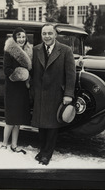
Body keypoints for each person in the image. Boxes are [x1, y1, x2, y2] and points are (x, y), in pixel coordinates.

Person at [31, 23, 76, 165]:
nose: (47, 36)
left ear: (55, 35)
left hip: (56, 93)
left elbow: (71, 75)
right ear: (41, 35)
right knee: (41, 125)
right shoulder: (36, 50)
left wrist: (68, 94)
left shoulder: (65, 50)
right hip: (39, 93)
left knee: (51, 126)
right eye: (44, 34)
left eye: (50, 33)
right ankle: (42, 150)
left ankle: (46, 154)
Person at [1, 27, 32, 154]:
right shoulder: (9, 51)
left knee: (18, 120)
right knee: (10, 120)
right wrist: (20, 73)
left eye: (23, 37)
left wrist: (27, 77)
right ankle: (4, 144)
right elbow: (6, 70)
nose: (21, 39)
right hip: (12, 88)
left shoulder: (28, 51)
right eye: (19, 36)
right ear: (14, 38)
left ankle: (14, 145)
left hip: (22, 89)